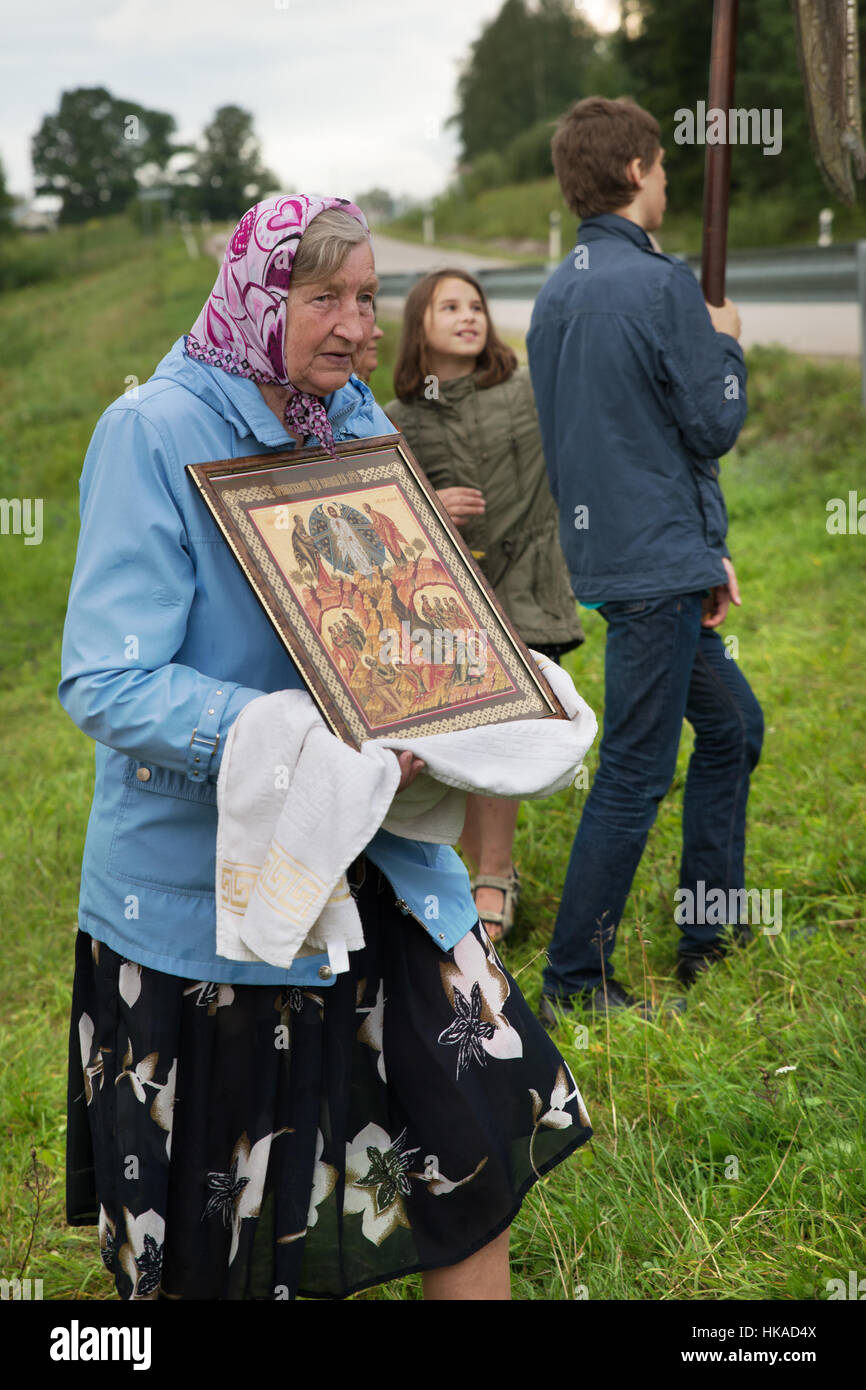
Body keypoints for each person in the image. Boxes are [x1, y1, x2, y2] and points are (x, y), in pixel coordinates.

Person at [59, 193, 591, 1302]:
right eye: (321, 298)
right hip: (216, 902)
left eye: (366, 296)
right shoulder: (152, 431)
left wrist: (460, 658)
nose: (353, 324)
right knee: (226, 1242)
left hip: (385, 868)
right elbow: (105, 679)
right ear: (258, 300)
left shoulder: (352, 423)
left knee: (474, 1153)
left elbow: (387, 628)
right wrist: (295, 742)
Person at [527, 97, 764, 1025]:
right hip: (655, 567)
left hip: (634, 557)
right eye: (662, 165)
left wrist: (704, 552)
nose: (668, 180)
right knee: (633, 767)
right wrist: (728, 342)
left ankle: (710, 934)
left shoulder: (556, 291)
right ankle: (576, 982)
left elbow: (620, 438)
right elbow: (712, 423)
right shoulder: (662, 285)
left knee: (733, 729)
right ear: (634, 172)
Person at [386, 270, 584, 943]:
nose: (468, 316)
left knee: (511, 722)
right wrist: (429, 511)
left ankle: (494, 876)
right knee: (469, 737)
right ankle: (468, 874)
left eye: (476, 305)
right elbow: (383, 518)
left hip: (528, 581)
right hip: (454, 601)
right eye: (449, 307)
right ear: (421, 325)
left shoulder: (526, 389)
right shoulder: (397, 418)